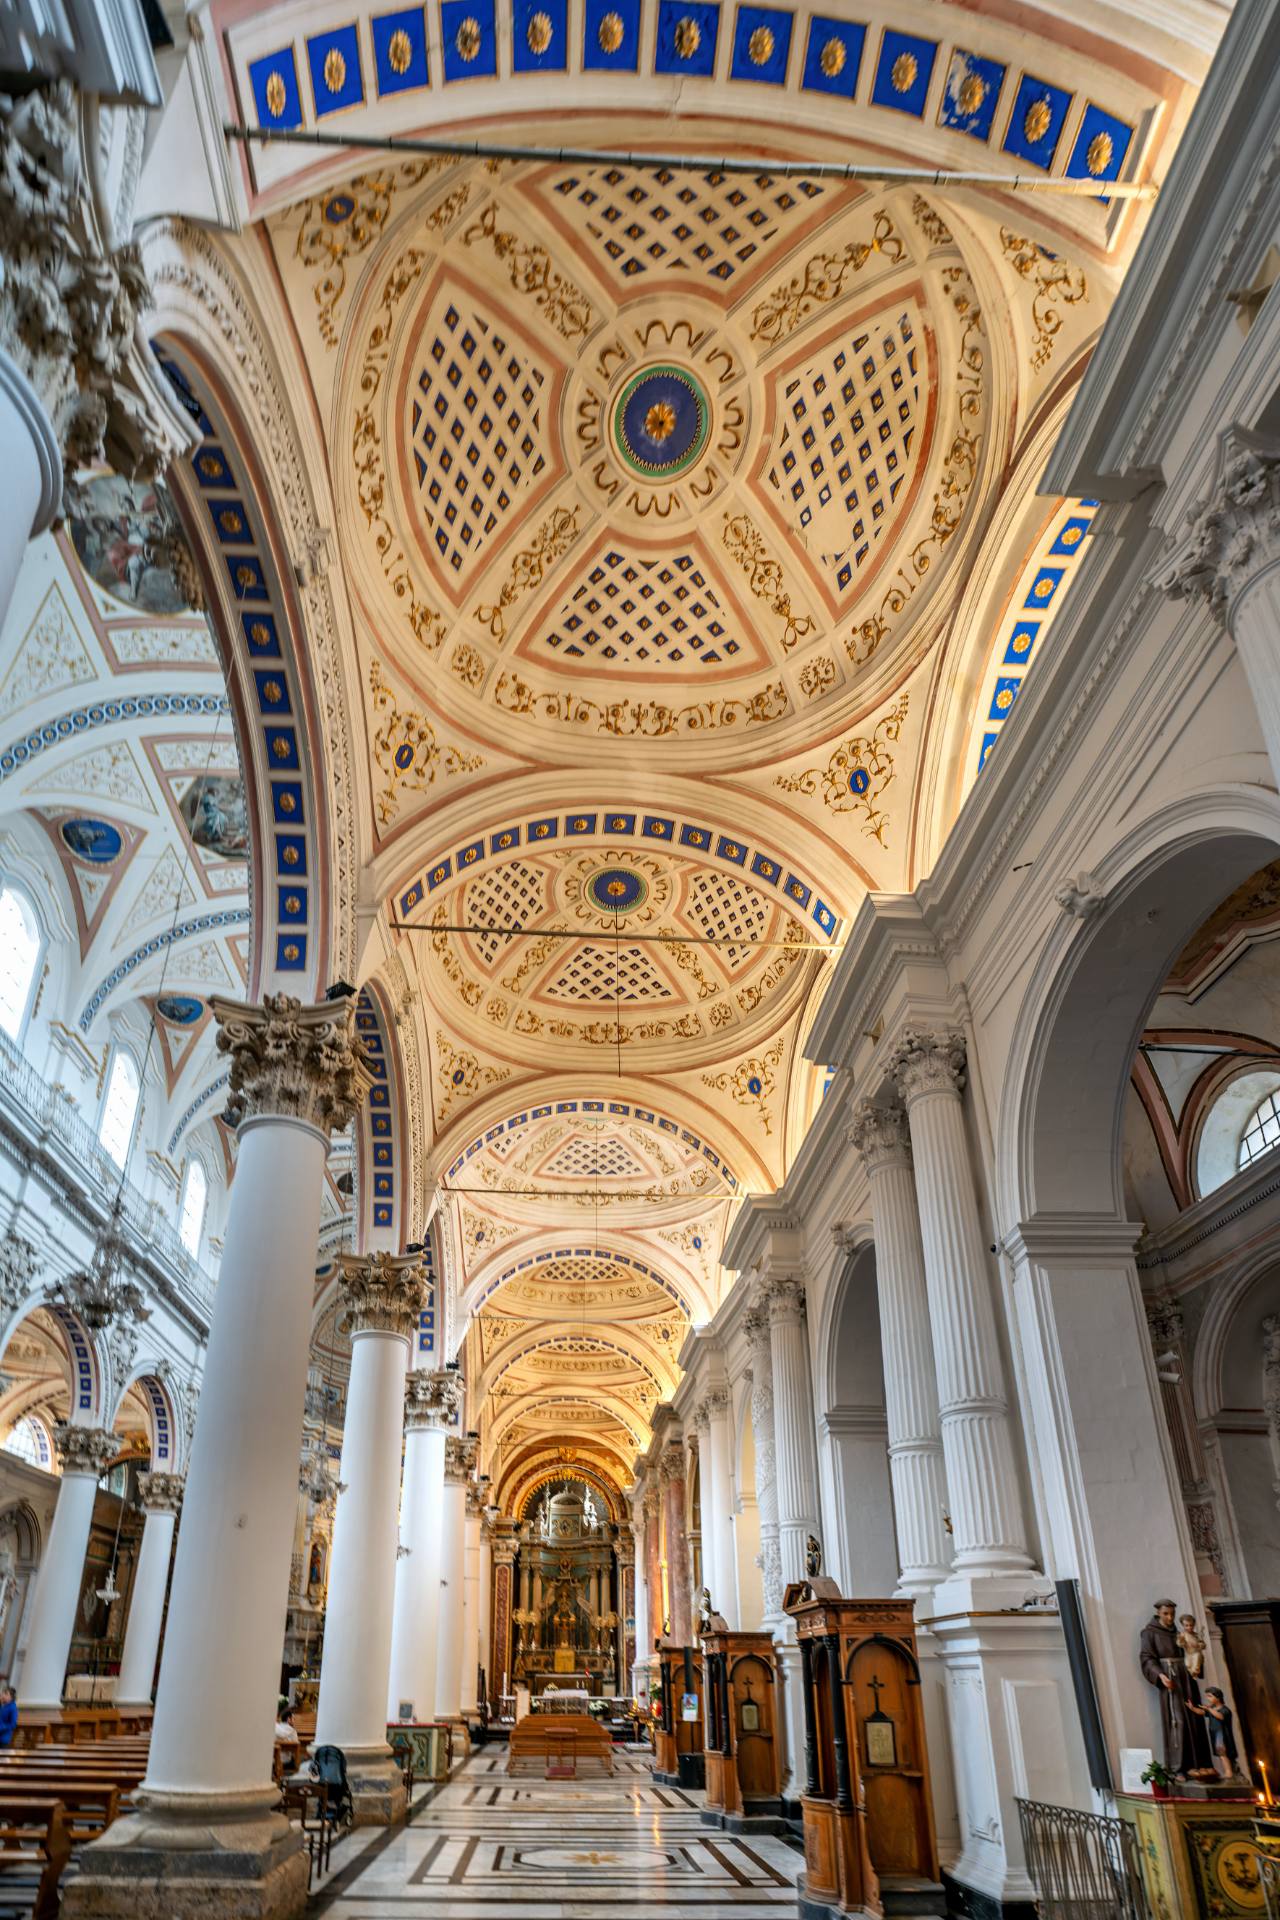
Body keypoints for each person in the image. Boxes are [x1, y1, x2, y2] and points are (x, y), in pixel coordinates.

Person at [1139, 1599, 1215, 1780]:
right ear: (1158, 1613)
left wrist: (1196, 1656)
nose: (1170, 1617)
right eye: (1165, 1614)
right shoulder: (1149, 1633)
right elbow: (1147, 1658)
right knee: (1177, 1721)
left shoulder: (1179, 1633)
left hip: (1186, 1677)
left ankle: (1199, 1764)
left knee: (1195, 1718)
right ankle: (1178, 1767)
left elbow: (1191, 1651)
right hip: (1170, 1680)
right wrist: (1160, 1675)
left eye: (1172, 1614)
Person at [1190, 1688, 1241, 1781]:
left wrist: (1209, 1709)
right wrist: (1192, 1708)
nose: (1208, 1698)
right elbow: (1201, 1712)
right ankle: (1228, 1771)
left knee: (1223, 1754)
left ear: (1218, 1697)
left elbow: (1221, 1716)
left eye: (1210, 1696)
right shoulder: (1212, 1709)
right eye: (1207, 1696)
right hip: (1215, 1735)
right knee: (1221, 1755)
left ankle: (1229, 1772)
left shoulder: (1224, 1709)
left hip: (1222, 1736)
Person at [1178, 1614, 1207, 1679]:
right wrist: (1181, 1640)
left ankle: (1195, 1672)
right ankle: (1192, 1673)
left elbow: (1203, 1645)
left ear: (1194, 1625)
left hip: (1196, 1653)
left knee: (1197, 1657)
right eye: (1186, 1625)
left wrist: (1199, 1645)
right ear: (1183, 1625)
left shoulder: (1196, 1635)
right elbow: (1180, 1644)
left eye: (1191, 1625)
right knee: (1188, 1665)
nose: (1189, 1627)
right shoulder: (1183, 1635)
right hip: (1188, 1654)